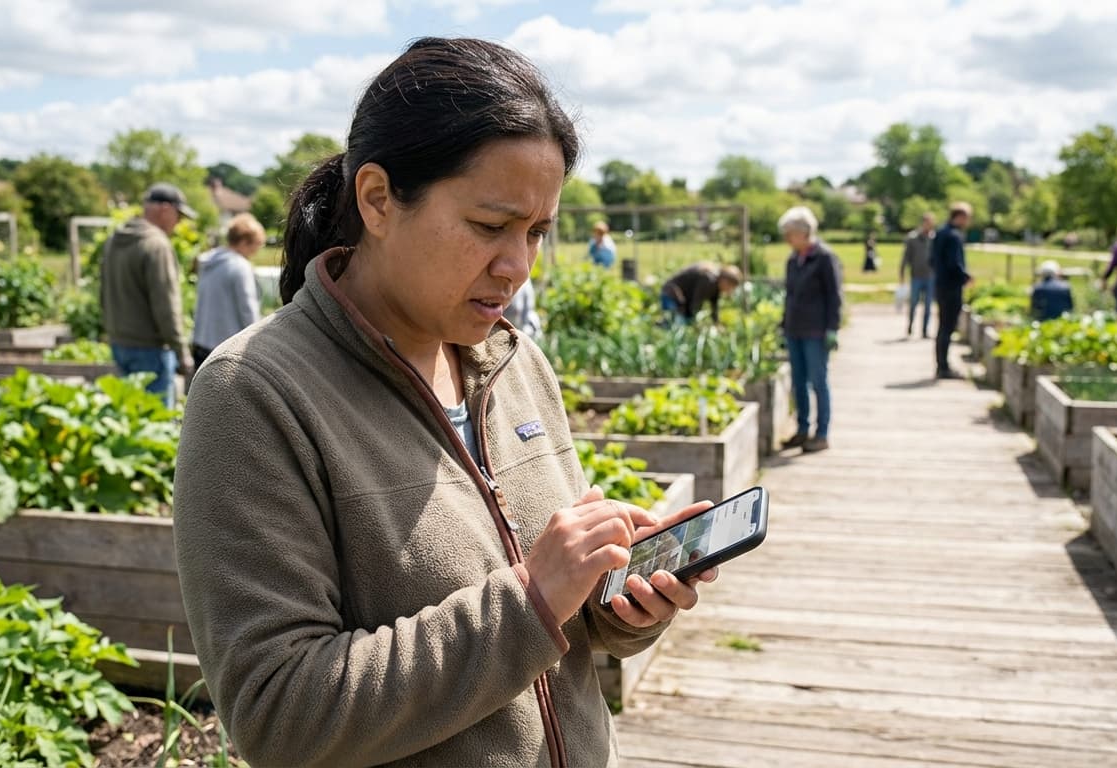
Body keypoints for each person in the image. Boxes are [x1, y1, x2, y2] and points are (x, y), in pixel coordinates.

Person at [171, 38, 717, 768]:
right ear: (377, 200)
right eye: (490, 227)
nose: (517, 266)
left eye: (537, 232)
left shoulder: (517, 363)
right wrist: (530, 599)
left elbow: (554, 627)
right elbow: (277, 715)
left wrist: (615, 600)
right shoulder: (255, 393)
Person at [100, 182, 197, 407]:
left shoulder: (115, 239)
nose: (179, 222)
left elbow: (103, 293)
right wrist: (182, 352)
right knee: (156, 426)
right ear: (165, 209)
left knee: (131, 420)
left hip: (119, 343)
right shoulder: (156, 245)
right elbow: (166, 305)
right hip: (151, 349)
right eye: (178, 215)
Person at [777, 206, 841, 453]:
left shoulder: (824, 258)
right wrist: (784, 325)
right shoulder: (793, 259)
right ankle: (802, 430)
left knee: (818, 381)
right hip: (795, 329)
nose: (787, 239)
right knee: (798, 382)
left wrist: (832, 328)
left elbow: (834, 295)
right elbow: (790, 295)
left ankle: (821, 433)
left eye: (790, 234)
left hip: (816, 330)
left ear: (804, 233)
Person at [191, 213, 264, 373]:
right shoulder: (240, 266)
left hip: (201, 341)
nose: (255, 252)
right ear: (245, 242)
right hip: (225, 349)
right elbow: (248, 311)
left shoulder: (208, 261)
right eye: (256, 246)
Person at [931, 202, 974, 379]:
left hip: (941, 285)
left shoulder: (940, 233)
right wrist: (966, 277)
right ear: (960, 217)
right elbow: (954, 264)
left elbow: (932, 260)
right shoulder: (954, 236)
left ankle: (941, 364)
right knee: (948, 327)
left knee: (942, 327)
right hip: (952, 287)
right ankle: (944, 367)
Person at [660, 263, 742, 325]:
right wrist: (695, 322)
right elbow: (696, 301)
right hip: (671, 294)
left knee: (681, 322)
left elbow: (714, 307)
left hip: (681, 300)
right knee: (676, 323)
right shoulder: (709, 280)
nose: (730, 291)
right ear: (725, 281)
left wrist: (716, 323)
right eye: (731, 287)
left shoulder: (716, 286)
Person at [900, 213, 935, 338]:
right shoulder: (913, 238)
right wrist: (902, 273)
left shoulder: (934, 238)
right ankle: (910, 326)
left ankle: (925, 330)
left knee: (928, 305)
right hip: (916, 276)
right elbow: (905, 257)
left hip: (930, 276)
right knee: (913, 303)